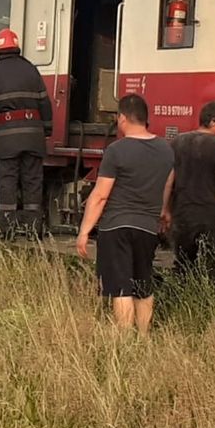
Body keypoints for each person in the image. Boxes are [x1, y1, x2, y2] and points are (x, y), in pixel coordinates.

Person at [76, 94, 173, 333]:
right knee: (143, 285)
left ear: (122, 118)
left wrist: (85, 231)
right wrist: (164, 211)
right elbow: (168, 183)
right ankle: (142, 337)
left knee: (120, 287)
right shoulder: (166, 149)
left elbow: (100, 196)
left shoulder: (116, 150)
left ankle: (123, 341)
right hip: (147, 228)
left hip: (116, 227)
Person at [0, 28, 53, 239]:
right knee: (32, 183)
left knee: (7, 183)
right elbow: (45, 103)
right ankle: (33, 232)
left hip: (7, 138)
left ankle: (8, 231)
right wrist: (46, 130)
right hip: (33, 135)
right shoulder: (31, 69)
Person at [162, 101, 215, 280]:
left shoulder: (177, 142)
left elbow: (168, 181)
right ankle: (208, 302)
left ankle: (177, 300)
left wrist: (165, 210)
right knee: (211, 267)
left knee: (182, 264)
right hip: (210, 216)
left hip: (182, 214)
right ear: (213, 121)